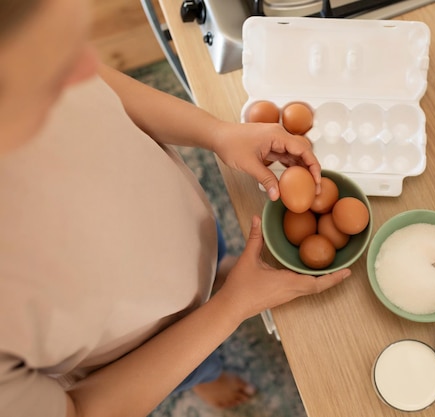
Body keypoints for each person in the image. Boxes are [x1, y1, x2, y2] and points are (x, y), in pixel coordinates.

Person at [0, 0, 352, 416]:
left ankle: (217, 272)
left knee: (212, 254)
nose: (85, 70)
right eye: (50, 74)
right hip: (141, 344)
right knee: (196, 363)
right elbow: (81, 410)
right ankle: (207, 379)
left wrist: (218, 133)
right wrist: (232, 307)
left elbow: (101, 82)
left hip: (181, 221)